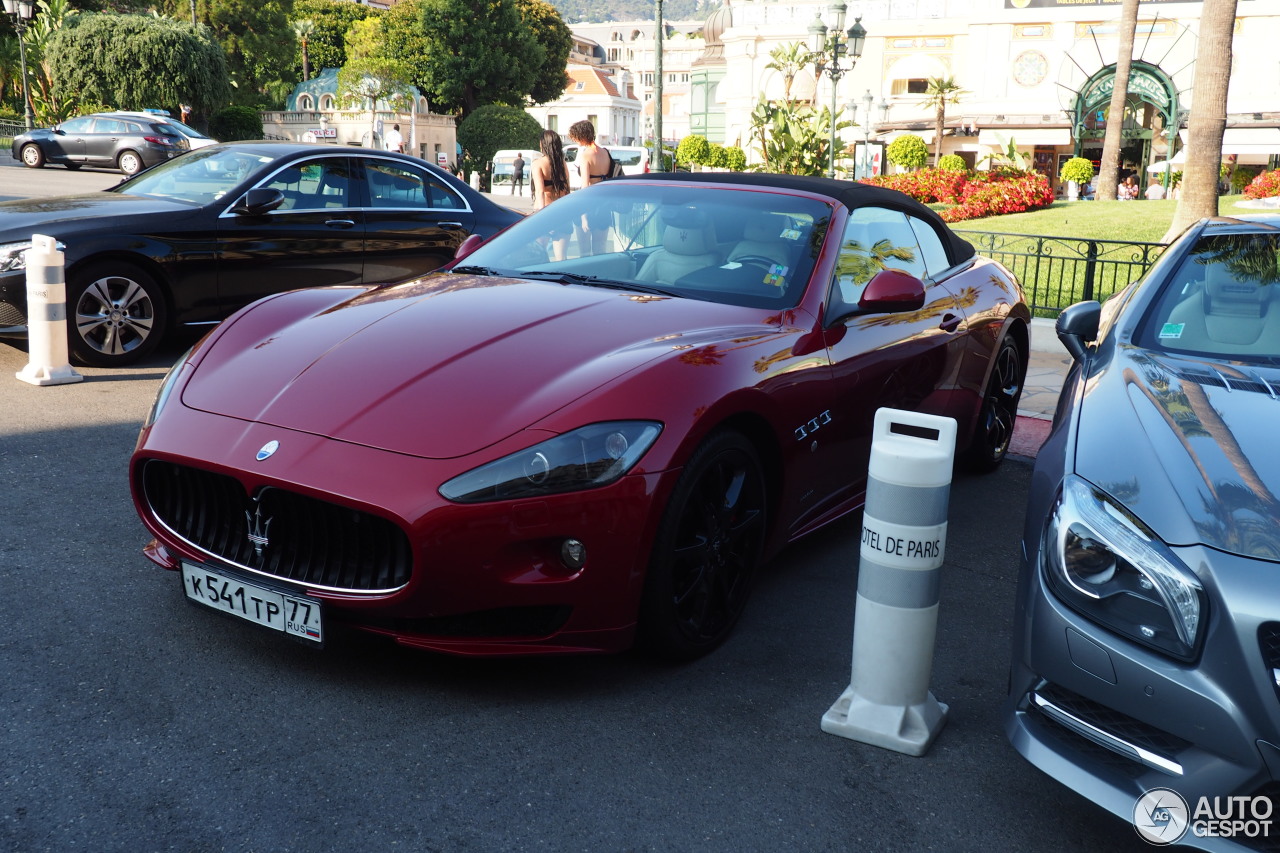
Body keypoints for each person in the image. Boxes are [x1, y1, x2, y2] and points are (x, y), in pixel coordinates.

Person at [568, 120, 612, 255]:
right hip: (604, 204)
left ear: (581, 136)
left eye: (575, 137)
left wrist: (583, 216)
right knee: (600, 251)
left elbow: (585, 187)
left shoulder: (586, 155)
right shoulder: (605, 152)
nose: (575, 140)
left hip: (590, 205)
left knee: (585, 253)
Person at [531, 129, 571, 260]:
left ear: (543, 144)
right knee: (561, 258)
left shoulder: (538, 164)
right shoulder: (562, 164)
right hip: (562, 213)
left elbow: (540, 191)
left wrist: (541, 216)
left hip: (544, 211)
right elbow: (567, 188)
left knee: (539, 255)